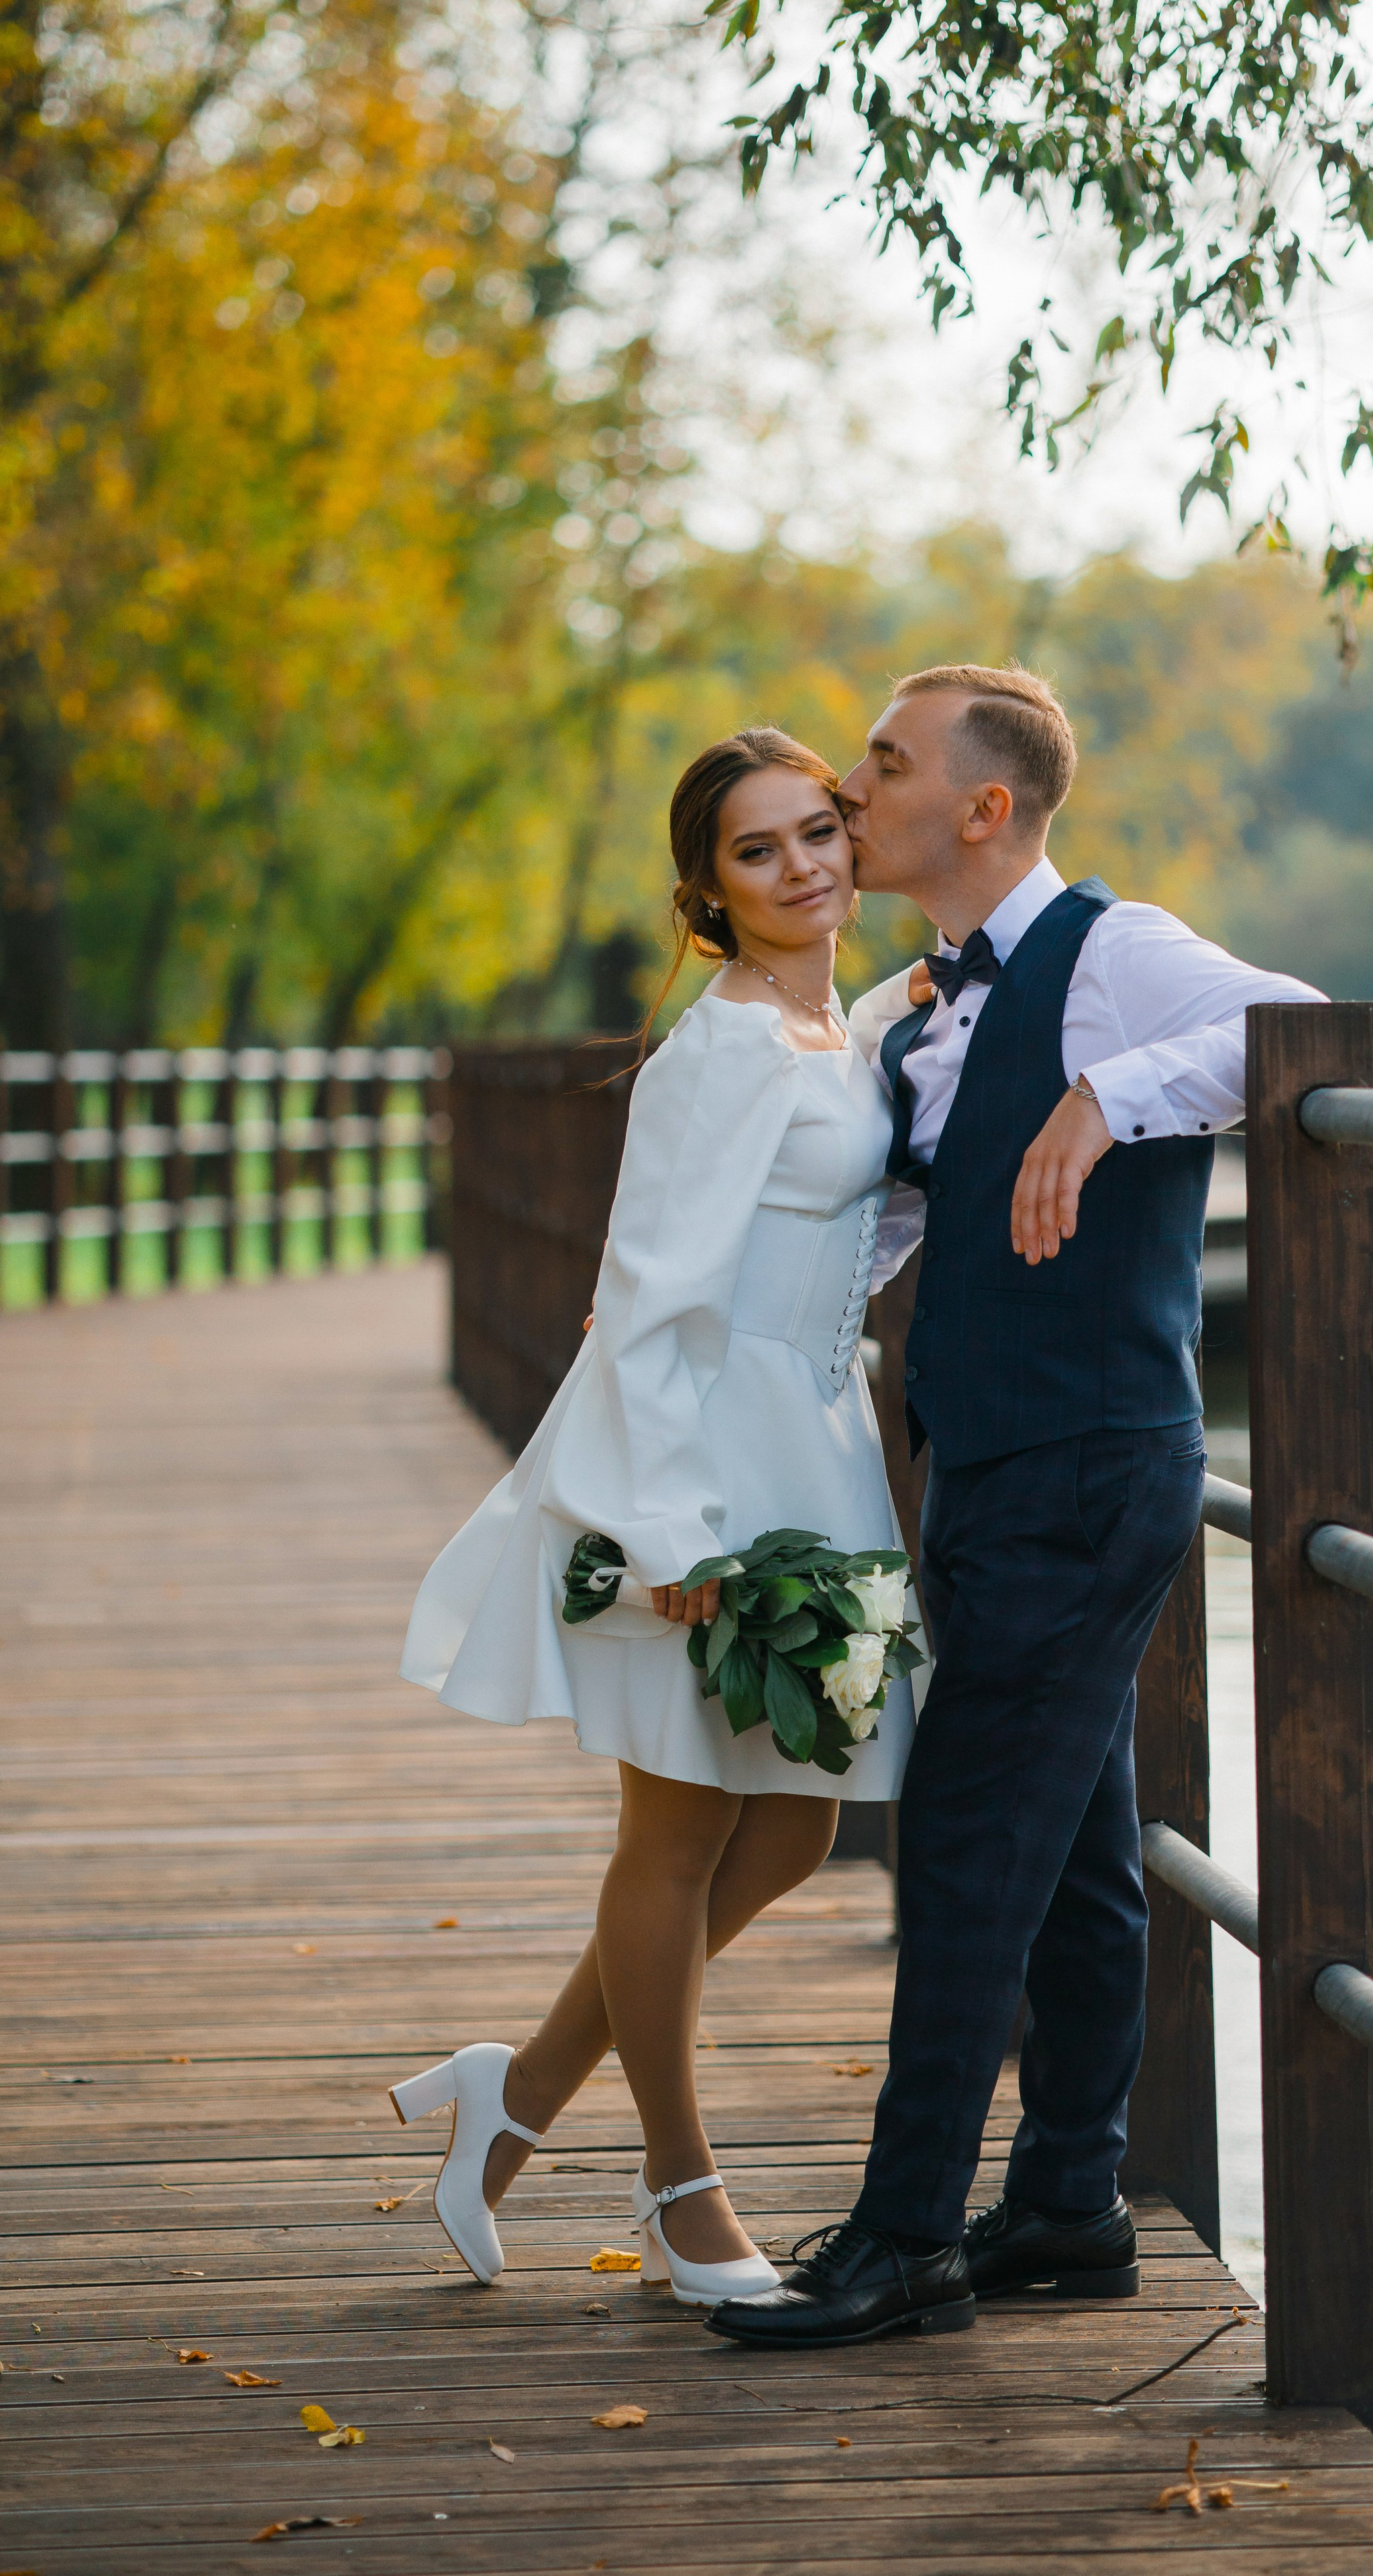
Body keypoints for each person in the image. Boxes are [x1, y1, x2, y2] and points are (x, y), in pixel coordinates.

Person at [708, 663, 1324, 2349]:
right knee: (1070, 1861)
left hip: (1087, 1466)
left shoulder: (1113, 958)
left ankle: (904, 2236)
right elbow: (900, 1237)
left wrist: (1105, 1095)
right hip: (985, 1468)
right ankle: (1064, 2201)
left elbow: (1300, 1021)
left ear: (984, 807)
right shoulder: (926, 1014)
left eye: (885, 763)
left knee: (970, 1842)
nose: (850, 782)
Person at [393, 728, 922, 2308]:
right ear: (708, 891)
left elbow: (840, 1235)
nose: (802, 867)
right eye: (757, 852)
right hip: (702, 1462)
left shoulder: (836, 1025)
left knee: (804, 1818)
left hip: (819, 1448)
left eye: (818, 831)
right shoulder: (723, 1047)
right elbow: (647, 1292)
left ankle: (523, 2089)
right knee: (680, 1826)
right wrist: (674, 1535)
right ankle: (681, 2195)